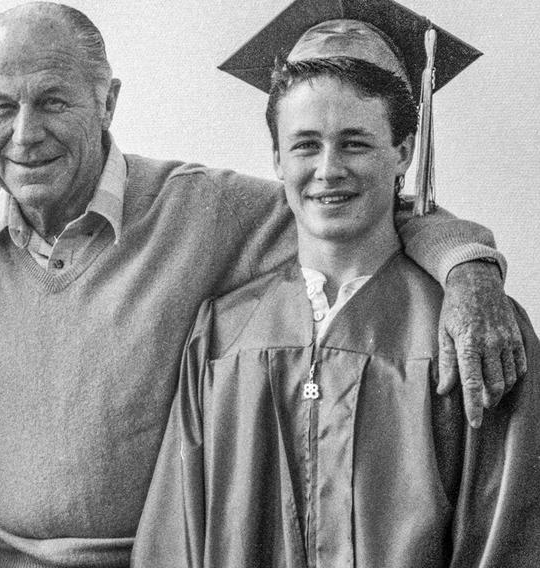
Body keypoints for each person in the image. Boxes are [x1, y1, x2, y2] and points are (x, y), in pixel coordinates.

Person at [0, 3, 526, 566]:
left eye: (54, 101)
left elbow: (348, 209)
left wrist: (470, 264)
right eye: (1, 109)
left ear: (108, 98)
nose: (25, 134)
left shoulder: (208, 212)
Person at [132, 1, 540, 565]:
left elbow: (508, 536)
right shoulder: (222, 333)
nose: (328, 169)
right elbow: (177, 538)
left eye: (355, 142)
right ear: (276, 158)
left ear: (403, 152)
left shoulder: (471, 329)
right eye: (305, 144)